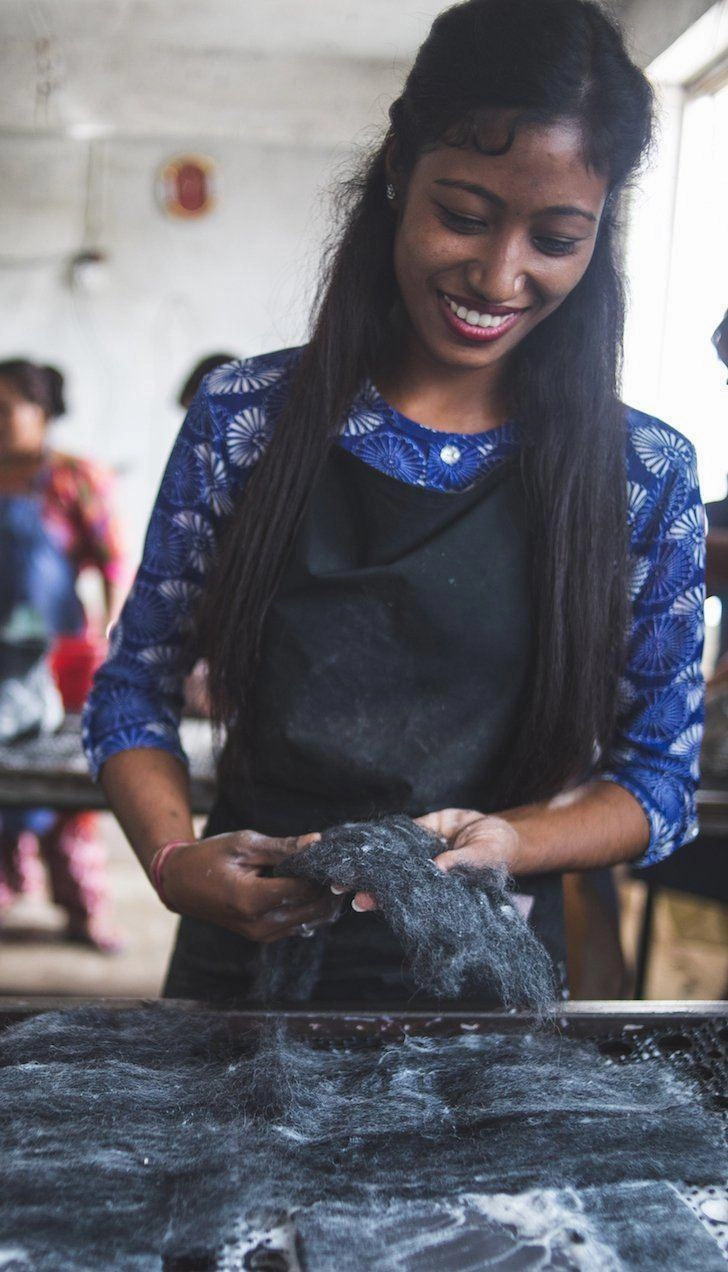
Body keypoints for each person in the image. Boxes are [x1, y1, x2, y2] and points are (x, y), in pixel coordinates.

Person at [84, 0, 705, 1004]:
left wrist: (514, 840)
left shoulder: (641, 474)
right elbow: (132, 690)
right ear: (396, 173)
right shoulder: (248, 419)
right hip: (244, 966)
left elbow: (657, 782)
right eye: (464, 216)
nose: (499, 275)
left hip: (485, 992)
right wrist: (170, 861)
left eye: (555, 237)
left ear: (600, 231)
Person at [0, 359, 124, 951]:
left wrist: (112, 639)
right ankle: (9, 887)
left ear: (43, 413)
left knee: (69, 788)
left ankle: (82, 906)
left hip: (64, 661)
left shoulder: (74, 477)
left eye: (6, 409)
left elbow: (112, 561)